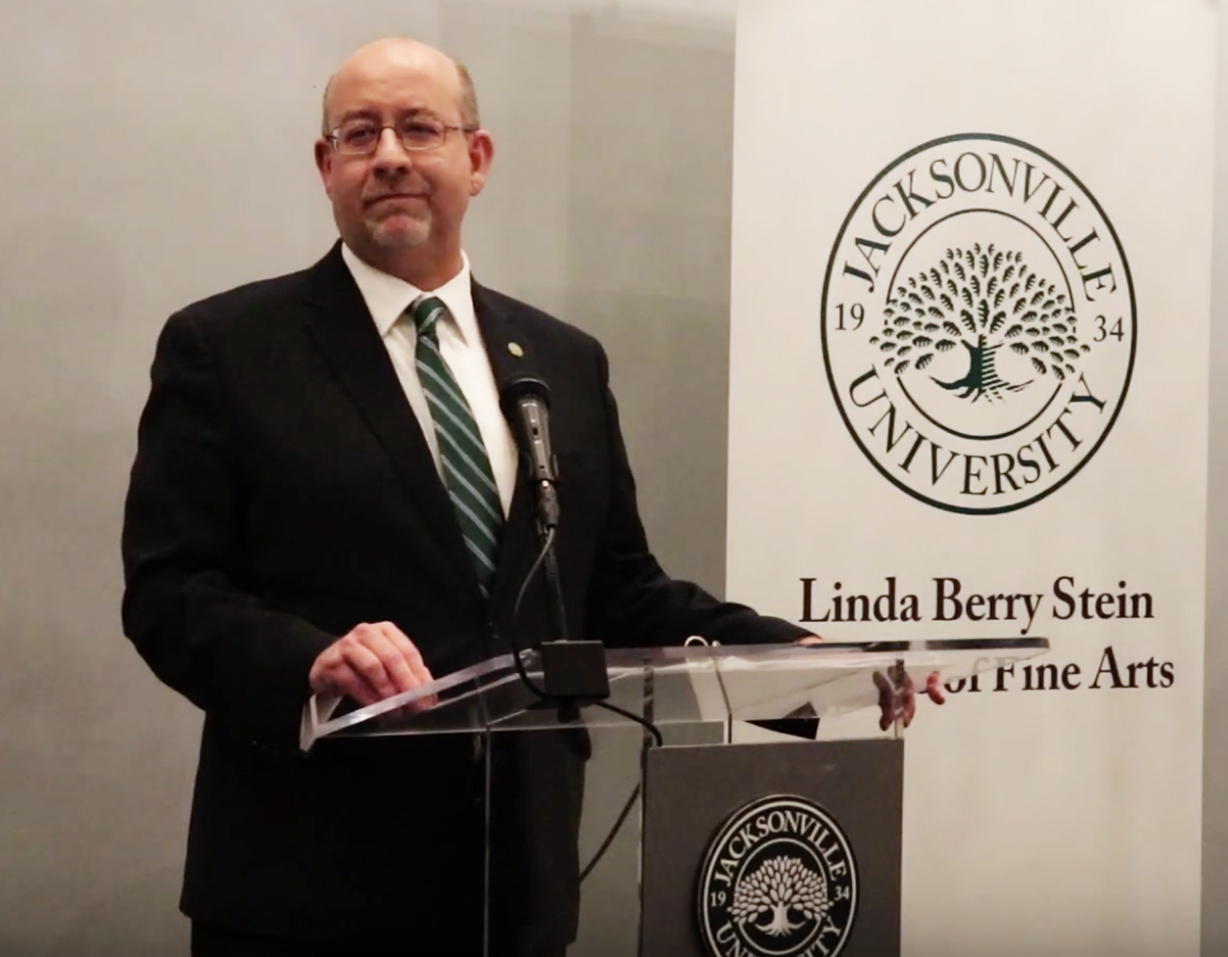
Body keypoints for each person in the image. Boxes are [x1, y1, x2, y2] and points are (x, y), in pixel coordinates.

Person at [121, 36, 936, 957]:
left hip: (517, 883)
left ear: (477, 159)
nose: (389, 153)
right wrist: (311, 658)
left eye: (419, 127)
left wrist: (800, 660)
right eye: (359, 133)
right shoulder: (229, 348)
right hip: (307, 885)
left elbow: (618, 591)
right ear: (326, 166)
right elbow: (169, 591)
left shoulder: (561, 360)